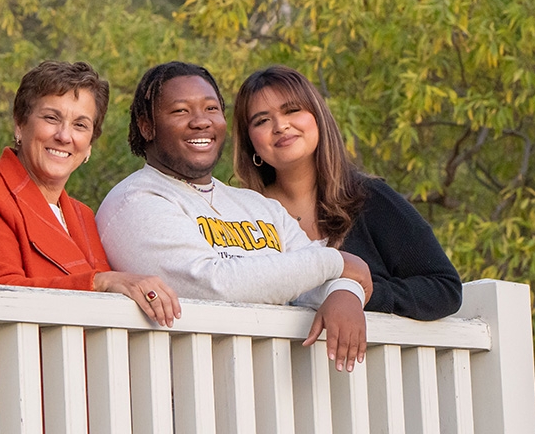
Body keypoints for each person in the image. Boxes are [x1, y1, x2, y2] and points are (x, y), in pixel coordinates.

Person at [96, 61, 372, 372]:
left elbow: (311, 281)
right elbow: (215, 287)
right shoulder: (134, 201)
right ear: (147, 126)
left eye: (211, 109)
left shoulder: (258, 206)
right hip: (187, 396)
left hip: (273, 390)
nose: (201, 122)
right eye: (181, 111)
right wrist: (336, 262)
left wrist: (345, 291)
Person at [0, 60, 179, 327]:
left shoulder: (82, 216)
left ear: (89, 144)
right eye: (51, 118)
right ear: (20, 125)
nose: (64, 136)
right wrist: (99, 282)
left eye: (80, 125)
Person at [232, 65, 462, 321]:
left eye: (292, 110)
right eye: (262, 120)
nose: (280, 126)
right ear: (250, 141)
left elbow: (445, 288)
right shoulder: (242, 215)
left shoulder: (370, 199)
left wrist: (360, 294)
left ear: (317, 117)